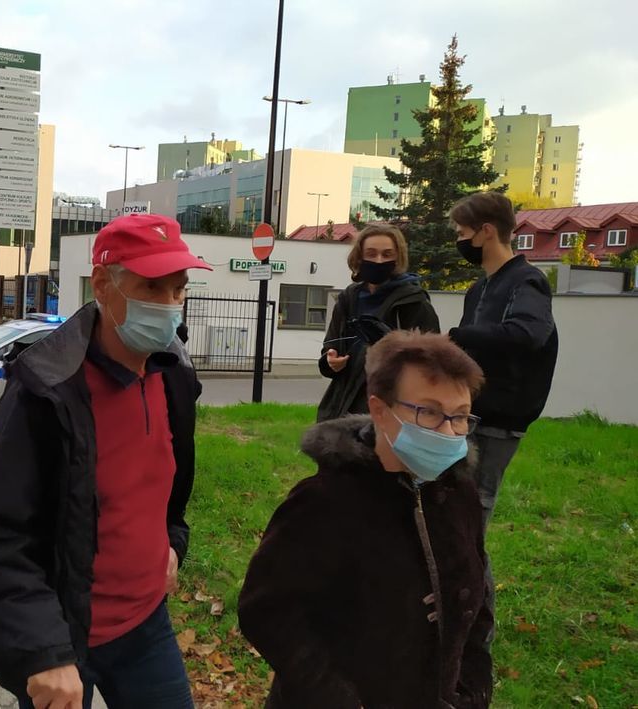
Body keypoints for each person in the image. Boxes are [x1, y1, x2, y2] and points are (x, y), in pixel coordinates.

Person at [0, 214, 209, 709]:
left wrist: (173, 544)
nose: (169, 305)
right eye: (151, 287)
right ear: (102, 284)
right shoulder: (46, 390)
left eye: (178, 289)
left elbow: (168, 487)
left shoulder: (174, 376)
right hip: (65, 635)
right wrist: (44, 651)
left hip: (147, 624)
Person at [238, 331, 493, 708]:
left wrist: (471, 689)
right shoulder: (324, 502)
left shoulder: (459, 496)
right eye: (430, 412)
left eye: (459, 417)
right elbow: (268, 610)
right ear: (379, 409)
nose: (448, 431)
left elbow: (477, 599)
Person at [448, 191, 558, 530]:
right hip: (469, 414)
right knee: (456, 513)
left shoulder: (527, 282)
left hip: (501, 421)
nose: (459, 241)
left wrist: (460, 335)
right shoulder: (479, 290)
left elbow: (527, 334)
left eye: (462, 233)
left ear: (486, 231)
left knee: (472, 519)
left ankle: (472, 583)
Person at [316, 225, 440, 421]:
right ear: (359, 256)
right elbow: (330, 347)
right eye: (371, 253)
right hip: (343, 405)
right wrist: (330, 361)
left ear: (398, 258)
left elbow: (432, 362)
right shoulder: (349, 298)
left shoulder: (414, 302)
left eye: (387, 254)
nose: (379, 260)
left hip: (391, 408)